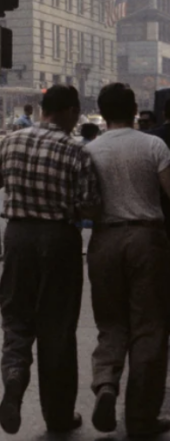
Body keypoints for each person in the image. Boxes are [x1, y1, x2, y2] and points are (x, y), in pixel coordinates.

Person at [0, 85, 99, 435]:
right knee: (57, 329)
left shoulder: (12, 141)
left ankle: (14, 376)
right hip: (59, 241)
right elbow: (91, 205)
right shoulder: (76, 151)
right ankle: (58, 416)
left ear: (43, 109)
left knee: (16, 317)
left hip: (18, 238)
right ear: (72, 112)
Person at [81, 84, 170, 436]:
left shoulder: (90, 150)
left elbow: (84, 202)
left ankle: (105, 384)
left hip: (104, 239)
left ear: (101, 113)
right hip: (147, 239)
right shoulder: (153, 145)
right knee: (149, 328)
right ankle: (141, 417)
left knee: (110, 322)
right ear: (135, 109)